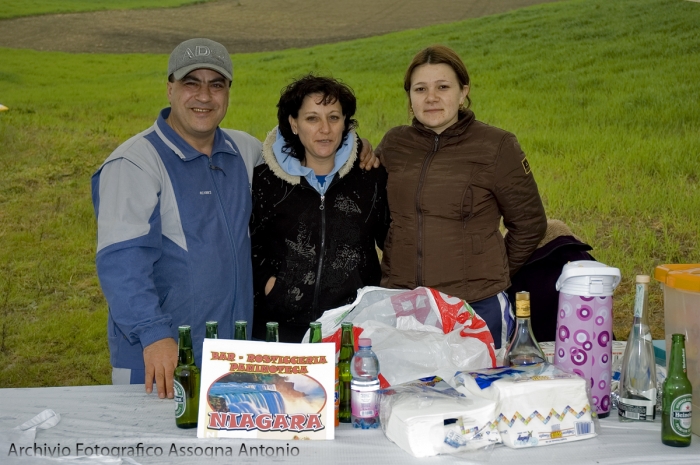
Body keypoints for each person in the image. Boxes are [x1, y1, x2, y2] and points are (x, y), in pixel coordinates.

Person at [91, 39, 378, 399]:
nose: (204, 96)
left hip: (235, 353)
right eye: (191, 83)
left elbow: (309, 150)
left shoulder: (244, 151)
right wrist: (154, 334)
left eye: (216, 84)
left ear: (228, 92)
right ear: (170, 88)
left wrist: (355, 146)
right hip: (162, 356)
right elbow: (122, 264)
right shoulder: (134, 164)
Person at [375, 45, 547, 349]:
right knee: (406, 393)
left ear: (463, 91)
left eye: (443, 87)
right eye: (420, 89)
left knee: (476, 392)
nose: (431, 97)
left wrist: (490, 271)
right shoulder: (394, 144)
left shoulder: (496, 145)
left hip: (474, 307)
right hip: (404, 303)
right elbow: (377, 214)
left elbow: (530, 222)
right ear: (410, 97)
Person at [250, 75, 390, 342]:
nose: (324, 129)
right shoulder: (265, 181)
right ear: (294, 123)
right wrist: (273, 288)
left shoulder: (370, 177)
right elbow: (248, 244)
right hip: (280, 329)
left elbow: (392, 240)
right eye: (312, 118)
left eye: (334, 118)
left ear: (345, 123)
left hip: (352, 327)